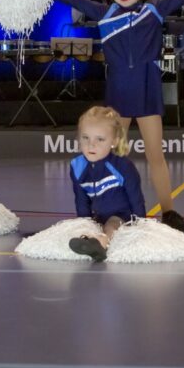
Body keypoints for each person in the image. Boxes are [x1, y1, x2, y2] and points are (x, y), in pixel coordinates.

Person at [55, 0, 184, 232]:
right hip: (118, 92)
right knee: (109, 154)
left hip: (148, 89)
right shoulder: (105, 13)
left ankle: (169, 211)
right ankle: (103, 210)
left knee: (155, 155)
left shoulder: (153, 12)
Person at [68, 106, 145, 263]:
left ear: (114, 141)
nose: (91, 145)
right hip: (98, 215)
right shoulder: (77, 166)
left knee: (111, 224)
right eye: (85, 138)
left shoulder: (122, 166)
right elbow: (81, 200)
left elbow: (136, 197)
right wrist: (84, 222)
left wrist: (141, 224)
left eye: (100, 139)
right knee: (90, 226)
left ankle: (101, 243)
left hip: (122, 215)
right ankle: (88, 241)